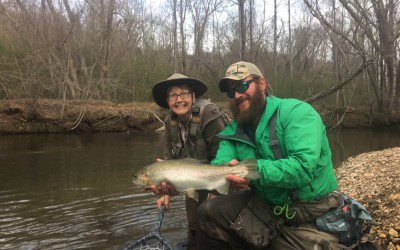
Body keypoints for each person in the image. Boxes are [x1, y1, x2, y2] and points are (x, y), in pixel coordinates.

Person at [195, 61, 341, 249]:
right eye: (231, 92)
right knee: (207, 211)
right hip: (268, 206)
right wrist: (177, 184)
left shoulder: (296, 112)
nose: (237, 95)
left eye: (242, 86)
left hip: (313, 210)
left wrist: (248, 171)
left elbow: (303, 168)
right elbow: (219, 166)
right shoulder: (232, 131)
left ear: (262, 84)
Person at [150, 73, 227, 247]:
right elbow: (169, 161)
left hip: (220, 174)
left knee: (217, 226)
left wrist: (215, 194)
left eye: (184, 93)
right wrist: (165, 192)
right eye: (172, 95)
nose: (179, 100)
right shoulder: (170, 120)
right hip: (192, 179)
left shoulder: (209, 114)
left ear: (193, 96)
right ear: (168, 100)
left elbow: (224, 155)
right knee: (194, 227)